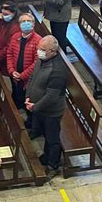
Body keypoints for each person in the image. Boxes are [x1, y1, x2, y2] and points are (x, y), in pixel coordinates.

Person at [25, 35, 68, 179]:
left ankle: (53, 165)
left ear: (52, 51)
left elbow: (52, 96)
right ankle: (46, 156)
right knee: (45, 135)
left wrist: (35, 107)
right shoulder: (42, 60)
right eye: (38, 48)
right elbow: (33, 77)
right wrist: (28, 95)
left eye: (42, 49)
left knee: (52, 139)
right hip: (38, 107)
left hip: (51, 111)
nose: (38, 51)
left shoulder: (57, 70)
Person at [6, 12, 42, 120]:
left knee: (28, 102)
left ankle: (31, 122)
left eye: (28, 21)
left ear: (33, 24)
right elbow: (9, 54)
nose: (26, 23)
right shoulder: (15, 37)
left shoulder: (38, 40)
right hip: (15, 76)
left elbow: (36, 62)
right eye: (23, 21)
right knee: (17, 95)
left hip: (28, 80)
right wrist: (12, 71)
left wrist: (22, 75)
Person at [0, 1, 20, 77]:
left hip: (10, 60)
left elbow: (8, 49)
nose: (4, 16)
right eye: (2, 14)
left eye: (6, 14)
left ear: (14, 13)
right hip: (1, 54)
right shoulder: (4, 22)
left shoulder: (15, 28)